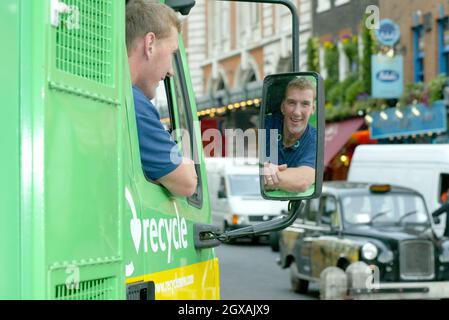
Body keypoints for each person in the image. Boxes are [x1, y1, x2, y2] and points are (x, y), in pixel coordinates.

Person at [126, 0, 197, 196]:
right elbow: (187, 183)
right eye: (172, 53)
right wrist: (186, 163)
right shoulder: (133, 104)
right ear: (149, 44)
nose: (171, 71)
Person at [263, 77, 317, 193]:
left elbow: (302, 181)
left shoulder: (315, 139)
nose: (297, 112)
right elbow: (242, 161)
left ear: (313, 109)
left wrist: (266, 175)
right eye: (292, 103)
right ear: (283, 107)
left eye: (305, 104)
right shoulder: (266, 124)